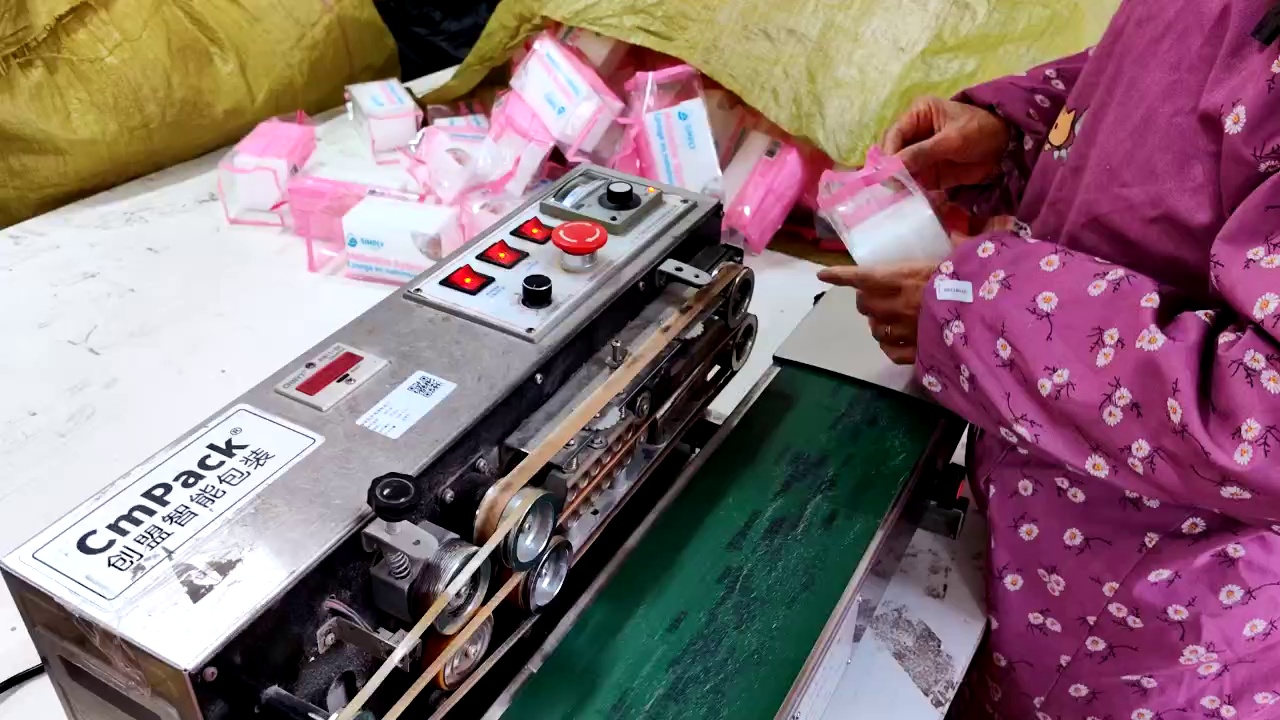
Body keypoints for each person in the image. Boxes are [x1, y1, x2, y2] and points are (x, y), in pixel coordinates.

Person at [818, 1, 1280, 718]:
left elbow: (1262, 412)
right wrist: (1023, 130)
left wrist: (975, 313)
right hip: (1039, 558)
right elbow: (1183, 78)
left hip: (1158, 643)